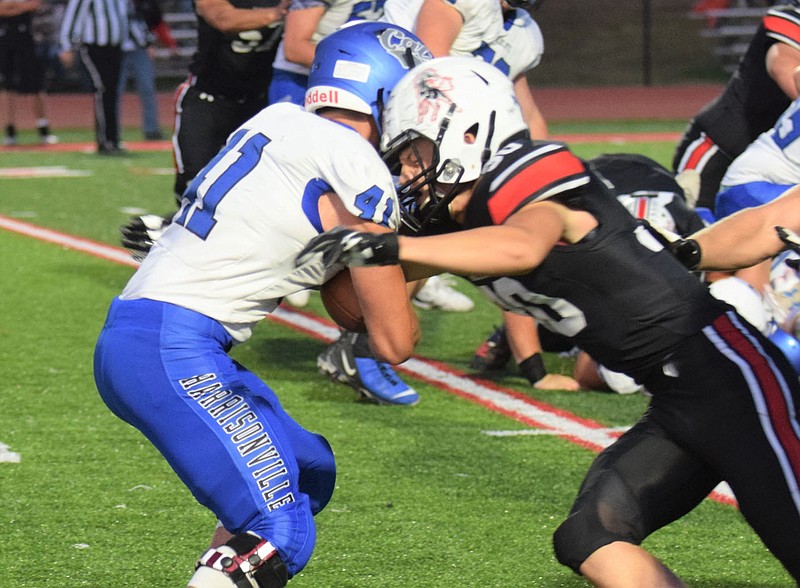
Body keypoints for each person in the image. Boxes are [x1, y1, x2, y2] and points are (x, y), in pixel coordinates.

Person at [297, 56, 800, 586]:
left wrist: (388, 247)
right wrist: (337, 258)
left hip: (728, 376)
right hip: (678, 399)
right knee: (590, 536)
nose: (404, 172)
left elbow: (524, 244)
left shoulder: (531, 169)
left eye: (411, 151)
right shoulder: (469, 223)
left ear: (466, 130)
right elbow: (384, 323)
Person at [93, 21, 427, 587]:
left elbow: (317, 273)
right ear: (382, 92)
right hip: (175, 347)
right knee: (279, 531)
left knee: (308, 469)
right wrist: (440, 253)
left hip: (147, 335)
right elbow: (394, 342)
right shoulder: (358, 165)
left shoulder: (276, 119)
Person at [119, 0, 288, 257]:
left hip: (259, 103)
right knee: (192, 186)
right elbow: (223, 18)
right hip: (206, 100)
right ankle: (184, 250)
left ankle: (259, 255)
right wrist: (278, 13)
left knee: (266, 186)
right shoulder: (280, 7)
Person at [672, 1, 800, 211]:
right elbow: (782, 64)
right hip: (723, 148)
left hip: (782, 163)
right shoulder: (791, 11)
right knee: (690, 228)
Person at [59, 0, 133, 154]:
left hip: (116, 46)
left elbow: (127, 17)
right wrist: (67, 45)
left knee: (112, 91)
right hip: (93, 46)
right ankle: (105, 140)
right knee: (103, 89)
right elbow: (72, 17)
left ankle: (113, 139)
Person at [118, 0, 178, 141]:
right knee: (113, 91)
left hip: (140, 49)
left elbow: (155, 23)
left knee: (147, 89)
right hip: (116, 50)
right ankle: (113, 130)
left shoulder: (145, 3)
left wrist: (168, 42)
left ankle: (151, 129)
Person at [0, 0, 58, 146]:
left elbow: (35, 5)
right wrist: (20, 6)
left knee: (36, 85)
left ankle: (43, 128)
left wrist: (11, 5)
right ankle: (10, 130)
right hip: (5, 39)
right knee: (8, 86)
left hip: (30, 39)